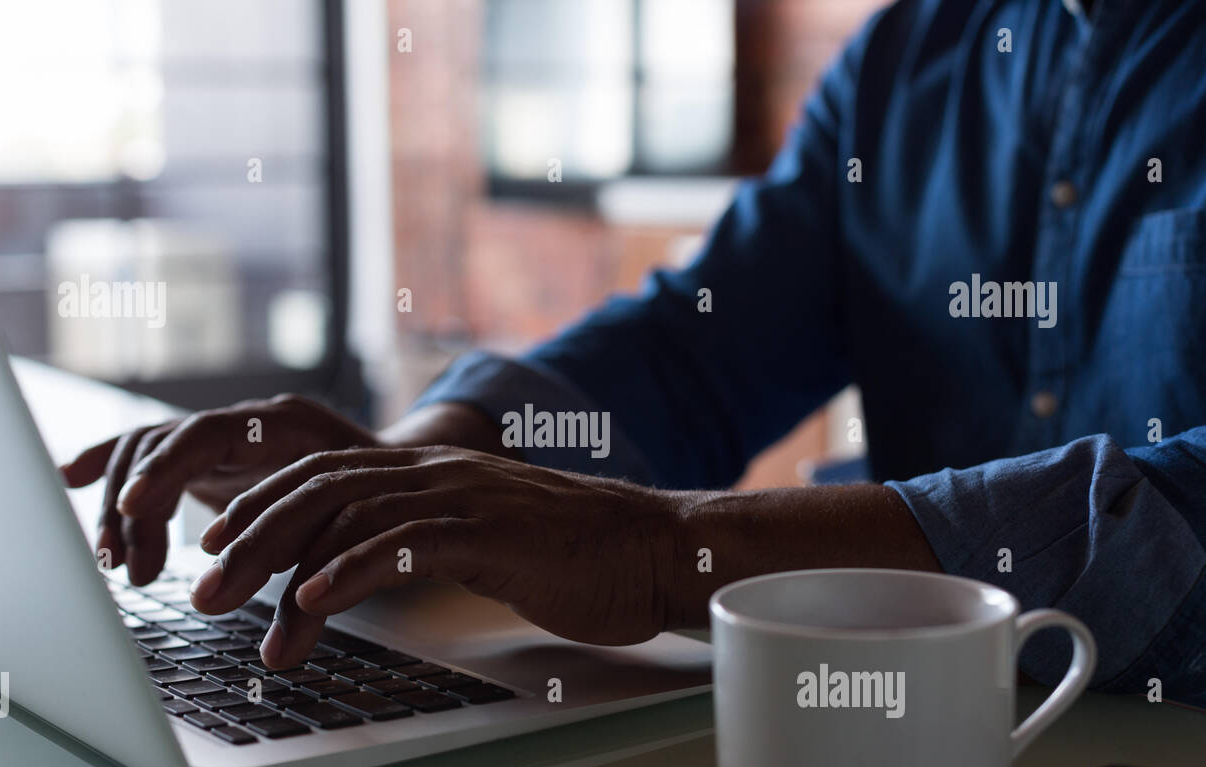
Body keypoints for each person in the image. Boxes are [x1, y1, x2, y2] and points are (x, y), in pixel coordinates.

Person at [61, 0, 1206, 704]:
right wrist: (409, 473)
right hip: (886, 763)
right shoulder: (908, 58)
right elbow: (690, 348)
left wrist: (670, 550)